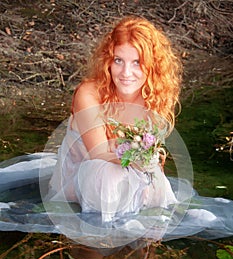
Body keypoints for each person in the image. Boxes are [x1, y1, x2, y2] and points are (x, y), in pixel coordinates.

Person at [47, 15, 182, 223]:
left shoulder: (154, 97)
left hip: (131, 174)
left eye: (137, 62)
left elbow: (151, 150)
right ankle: (92, 245)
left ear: (152, 65)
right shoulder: (89, 93)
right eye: (118, 60)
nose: (126, 73)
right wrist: (139, 161)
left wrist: (150, 169)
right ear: (108, 61)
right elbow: (98, 153)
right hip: (85, 178)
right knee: (110, 173)